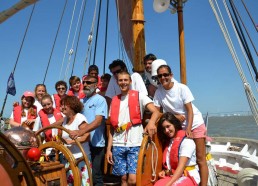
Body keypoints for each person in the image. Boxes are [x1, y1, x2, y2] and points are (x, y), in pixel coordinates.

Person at [153, 64, 208, 186]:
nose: (163, 77)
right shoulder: (158, 92)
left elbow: (189, 110)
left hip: (194, 123)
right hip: (177, 125)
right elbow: (156, 112)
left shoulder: (182, 88)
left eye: (165, 75)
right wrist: (152, 122)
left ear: (171, 75)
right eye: (160, 76)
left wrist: (188, 128)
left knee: (200, 158)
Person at [106, 72, 160, 185]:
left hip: (135, 143)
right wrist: (108, 149)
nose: (123, 82)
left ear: (130, 81)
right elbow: (112, 128)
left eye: (126, 80)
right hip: (118, 144)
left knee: (133, 179)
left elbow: (155, 111)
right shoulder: (114, 100)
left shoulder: (139, 96)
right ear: (117, 82)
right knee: (123, 179)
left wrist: (151, 123)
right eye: (120, 80)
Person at [69, 75, 108, 186]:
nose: (85, 84)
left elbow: (98, 121)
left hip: (96, 143)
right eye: (84, 82)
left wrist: (80, 132)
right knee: (85, 174)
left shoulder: (100, 100)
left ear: (96, 85)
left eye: (89, 83)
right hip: (84, 143)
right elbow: (69, 116)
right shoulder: (81, 101)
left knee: (95, 175)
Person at [154, 112, 200, 186]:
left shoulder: (187, 142)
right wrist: (164, 172)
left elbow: (181, 167)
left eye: (168, 126)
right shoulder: (168, 142)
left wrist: (168, 184)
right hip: (172, 175)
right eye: (164, 128)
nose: (166, 131)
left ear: (174, 124)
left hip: (188, 176)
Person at [60, 95, 91, 186]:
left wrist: (72, 142)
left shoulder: (79, 118)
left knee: (83, 184)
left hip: (81, 158)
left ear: (71, 105)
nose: (61, 107)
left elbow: (87, 136)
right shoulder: (65, 120)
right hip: (69, 158)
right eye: (61, 105)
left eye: (64, 105)